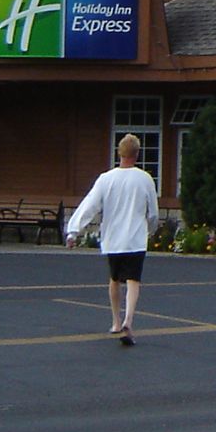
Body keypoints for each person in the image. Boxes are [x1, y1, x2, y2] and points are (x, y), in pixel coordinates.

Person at [65, 134, 160, 345]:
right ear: (137, 154)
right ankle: (128, 321)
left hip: (113, 239)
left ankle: (116, 321)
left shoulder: (106, 179)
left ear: (120, 153)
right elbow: (153, 212)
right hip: (135, 239)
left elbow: (90, 205)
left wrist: (74, 231)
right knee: (134, 280)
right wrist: (151, 230)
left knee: (114, 279)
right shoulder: (144, 179)